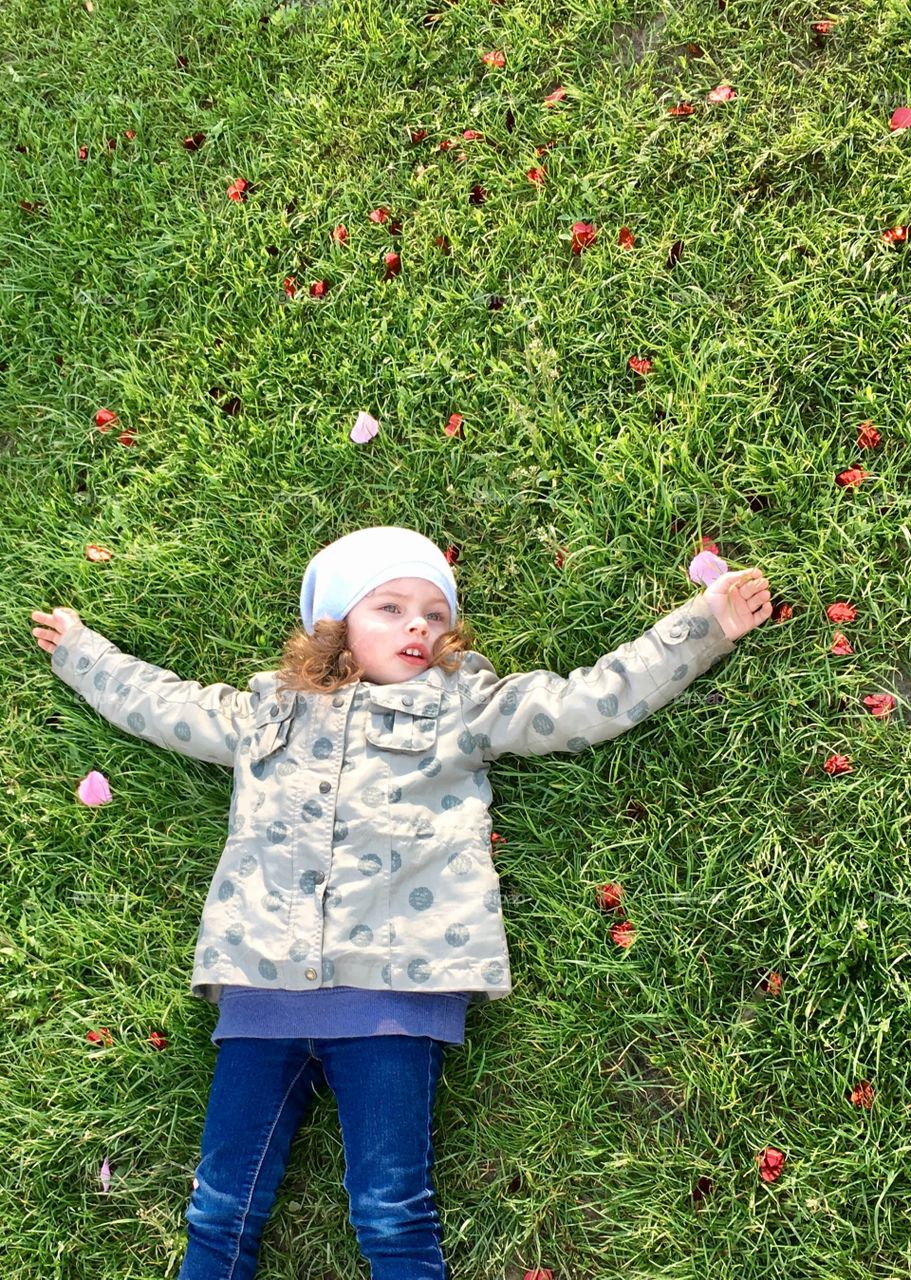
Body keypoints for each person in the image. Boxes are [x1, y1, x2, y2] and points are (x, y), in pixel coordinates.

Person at [30, 525, 773, 1280]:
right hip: (262, 988)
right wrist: (81, 652)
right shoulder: (264, 714)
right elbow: (162, 704)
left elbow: (585, 702)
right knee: (220, 1210)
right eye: (389, 605)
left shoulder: (462, 706)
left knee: (389, 1211)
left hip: (396, 991)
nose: (418, 624)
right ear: (335, 623)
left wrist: (701, 624)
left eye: (434, 613)